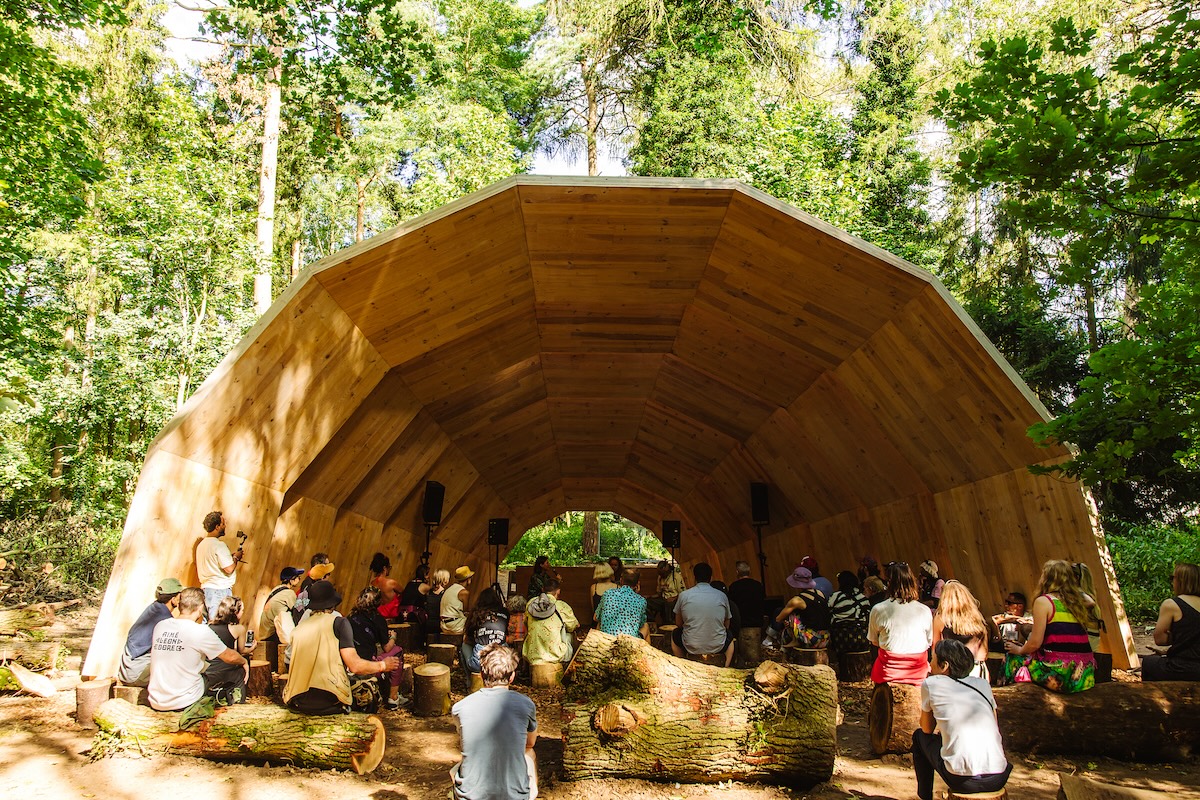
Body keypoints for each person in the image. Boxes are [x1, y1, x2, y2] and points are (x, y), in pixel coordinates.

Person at [912, 639, 1012, 800]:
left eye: (933, 659)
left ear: (945, 666)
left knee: (918, 737)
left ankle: (924, 796)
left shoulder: (931, 684)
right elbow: (994, 723)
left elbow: (926, 729)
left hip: (962, 779)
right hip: (998, 777)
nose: (930, 663)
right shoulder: (982, 684)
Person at [284, 580, 401, 715]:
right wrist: (383, 665)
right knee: (368, 695)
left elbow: (288, 660)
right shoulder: (339, 623)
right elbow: (355, 666)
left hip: (296, 701)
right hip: (329, 701)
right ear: (333, 603)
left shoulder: (298, 629)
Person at [450, 644, 538, 800]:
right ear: (512, 677)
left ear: (482, 675)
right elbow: (530, 743)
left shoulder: (460, 708)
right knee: (529, 754)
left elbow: (466, 743)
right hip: (514, 796)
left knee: (456, 769)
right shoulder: (526, 704)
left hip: (470, 796)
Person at [1001, 559, 1096, 693]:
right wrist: (1072, 588)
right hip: (1084, 676)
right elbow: (1091, 601)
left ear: (1046, 578)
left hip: (1060, 677)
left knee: (1013, 658)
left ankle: (1008, 700)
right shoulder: (1077, 601)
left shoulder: (1044, 602)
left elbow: (1034, 643)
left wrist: (1019, 650)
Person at [147, 587, 248, 712]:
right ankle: (237, 708)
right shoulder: (200, 631)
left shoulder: (160, 626)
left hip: (156, 700)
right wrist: (243, 661)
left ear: (179, 606)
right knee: (237, 672)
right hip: (184, 701)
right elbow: (230, 657)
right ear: (200, 608)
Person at [868, 561, 933, 685]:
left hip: (889, 671)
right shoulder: (924, 610)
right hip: (918, 671)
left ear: (888, 584)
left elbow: (874, 641)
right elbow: (929, 642)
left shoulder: (878, 609)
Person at [347, 586, 406, 709]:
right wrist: (393, 637)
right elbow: (387, 648)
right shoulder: (378, 619)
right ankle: (393, 698)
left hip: (349, 660)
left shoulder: (351, 616)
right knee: (398, 651)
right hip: (368, 662)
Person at [118, 577, 183, 687]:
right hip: (137, 674)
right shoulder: (165, 620)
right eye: (179, 596)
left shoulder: (153, 609)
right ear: (173, 599)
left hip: (127, 672)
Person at [1142, 562, 1200, 682]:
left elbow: (1160, 640)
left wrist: (1174, 636)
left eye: (1172, 578)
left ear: (1181, 581)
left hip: (1181, 667)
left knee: (1148, 662)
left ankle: (1152, 698)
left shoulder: (1171, 604)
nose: (1172, 582)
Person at [672, 562, 735, 667]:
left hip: (691, 645)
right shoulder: (721, 596)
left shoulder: (684, 596)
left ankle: (682, 665)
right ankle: (726, 667)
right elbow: (726, 625)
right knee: (730, 637)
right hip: (718, 645)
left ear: (694, 578)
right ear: (711, 577)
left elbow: (678, 623)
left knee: (675, 634)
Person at [931, 580, 993, 680]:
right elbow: (984, 653)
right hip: (977, 669)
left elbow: (936, 647)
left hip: (953, 670)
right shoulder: (977, 618)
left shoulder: (941, 619)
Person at [763, 567, 830, 652]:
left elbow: (778, 618)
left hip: (811, 639)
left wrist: (786, 621)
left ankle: (792, 642)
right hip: (826, 638)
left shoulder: (796, 601)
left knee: (791, 614)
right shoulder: (820, 593)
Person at [195, 511, 243, 621]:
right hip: (219, 590)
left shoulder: (202, 545)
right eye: (223, 524)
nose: (225, 526)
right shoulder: (219, 545)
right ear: (217, 527)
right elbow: (229, 569)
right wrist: (236, 558)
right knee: (217, 625)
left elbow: (214, 562)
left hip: (206, 590)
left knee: (208, 624)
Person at [204, 595, 253, 703]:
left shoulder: (209, 626)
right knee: (241, 668)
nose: (243, 612)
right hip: (225, 670)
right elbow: (242, 651)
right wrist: (252, 647)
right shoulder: (238, 629)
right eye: (242, 610)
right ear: (235, 612)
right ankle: (239, 698)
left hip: (208, 670)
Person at [1071, 561, 1112, 682]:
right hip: (1088, 645)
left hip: (1086, 647)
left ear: (1077, 578)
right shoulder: (1086, 595)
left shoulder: (1082, 596)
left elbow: (1090, 603)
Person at [524, 579, 578, 665]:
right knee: (568, 634)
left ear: (542, 589)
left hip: (531, 654)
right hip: (555, 655)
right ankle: (566, 663)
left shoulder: (531, 603)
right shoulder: (562, 606)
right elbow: (573, 626)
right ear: (558, 591)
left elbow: (525, 623)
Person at [260, 566, 305, 669]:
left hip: (265, 631)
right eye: (298, 577)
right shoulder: (289, 593)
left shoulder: (276, 590)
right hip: (273, 634)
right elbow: (298, 612)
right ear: (292, 579)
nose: (299, 580)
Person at [595, 568, 650, 641]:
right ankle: (646, 651)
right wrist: (636, 594)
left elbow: (595, 618)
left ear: (621, 580)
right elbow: (641, 623)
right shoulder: (641, 600)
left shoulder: (608, 594)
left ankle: (598, 645)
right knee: (646, 626)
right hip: (629, 641)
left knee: (600, 622)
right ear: (637, 584)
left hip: (607, 639)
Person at [464, 587, 510, 673]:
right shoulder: (505, 612)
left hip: (479, 664)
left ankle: (469, 680)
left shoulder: (476, 613)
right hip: (501, 662)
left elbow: (469, 635)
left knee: (465, 644)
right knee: (504, 642)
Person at [827, 571, 871, 658]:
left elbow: (828, 612)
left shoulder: (835, 597)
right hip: (861, 638)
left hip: (840, 639)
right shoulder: (863, 598)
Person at [646, 559, 685, 628]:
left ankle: (668, 624)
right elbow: (658, 593)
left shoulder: (676, 577)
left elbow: (683, 593)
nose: (661, 575)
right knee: (647, 602)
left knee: (668, 604)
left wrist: (674, 598)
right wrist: (649, 596)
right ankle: (652, 622)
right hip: (663, 598)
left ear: (667, 571)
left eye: (662, 573)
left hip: (674, 599)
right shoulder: (660, 577)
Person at [727, 560, 766, 630]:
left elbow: (732, 606)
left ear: (737, 572)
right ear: (749, 572)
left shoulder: (734, 587)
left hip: (741, 623)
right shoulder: (758, 585)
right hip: (757, 622)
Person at [442, 566, 475, 636]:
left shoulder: (449, 589)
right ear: (468, 579)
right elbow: (466, 611)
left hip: (443, 625)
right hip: (455, 626)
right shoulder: (464, 592)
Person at [369, 552, 401, 621]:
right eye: (389, 567)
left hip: (378, 617)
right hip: (392, 618)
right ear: (384, 568)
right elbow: (405, 594)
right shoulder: (391, 583)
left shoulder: (372, 583)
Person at [425, 568, 450, 639]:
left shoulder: (429, 592)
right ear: (445, 580)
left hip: (428, 623)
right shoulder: (445, 594)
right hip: (439, 624)